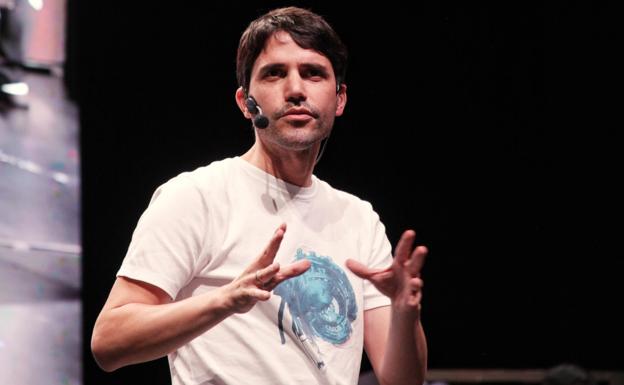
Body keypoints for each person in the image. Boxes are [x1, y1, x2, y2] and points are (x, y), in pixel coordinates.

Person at [91, 6, 428, 385]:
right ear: (244, 102)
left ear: (339, 99)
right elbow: (109, 342)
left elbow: (403, 381)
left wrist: (405, 313)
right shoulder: (195, 196)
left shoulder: (358, 218)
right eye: (275, 73)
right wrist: (226, 300)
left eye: (313, 72)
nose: (296, 89)